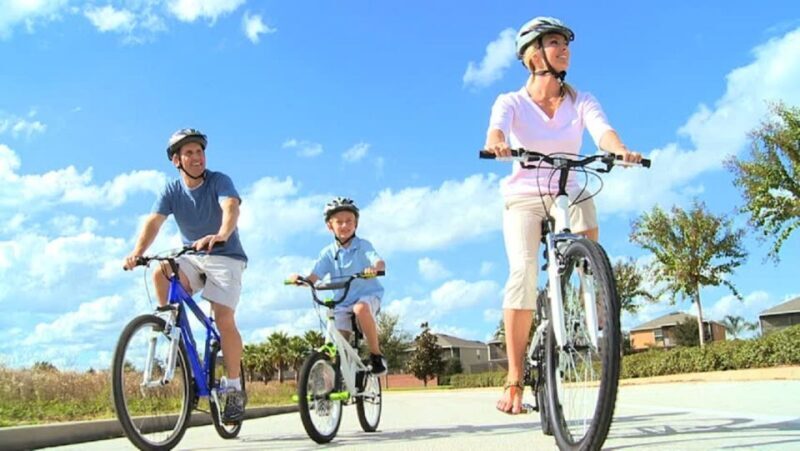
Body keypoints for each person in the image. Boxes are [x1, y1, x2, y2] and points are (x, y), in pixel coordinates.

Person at [484, 17, 642, 414]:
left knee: (586, 216)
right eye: (554, 42)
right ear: (533, 55)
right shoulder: (511, 102)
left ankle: (592, 287)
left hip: (568, 187)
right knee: (521, 274)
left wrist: (619, 149)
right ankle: (515, 380)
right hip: (524, 195)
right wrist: (498, 143)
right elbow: (496, 131)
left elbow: (602, 130)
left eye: (565, 43)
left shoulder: (580, 99)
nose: (564, 49)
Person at [123, 128, 249, 422]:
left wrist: (221, 234)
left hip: (225, 255)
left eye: (199, 152)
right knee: (161, 271)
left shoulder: (219, 180)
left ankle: (233, 387)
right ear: (176, 161)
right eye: (189, 153)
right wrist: (137, 251)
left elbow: (230, 207)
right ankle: (176, 337)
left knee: (223, 318)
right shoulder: (171, 191)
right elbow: (154, 223)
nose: (196, 157)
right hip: (192, 256)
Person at [288, 197, 388, 375]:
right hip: (341, 301)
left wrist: (375, 269)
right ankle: (327, 389)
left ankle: (376, 354)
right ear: (329, 226)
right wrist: (301, 280)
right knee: (334, 345)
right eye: (339, 222)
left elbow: (379, 262)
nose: (344, 225)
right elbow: (313, 277)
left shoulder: (363, 246)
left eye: (349, 221)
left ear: (356, 223)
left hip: (367, 295)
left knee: (360, 309)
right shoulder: (327, 253)